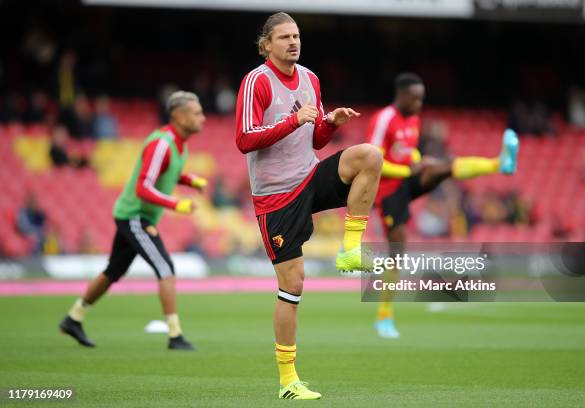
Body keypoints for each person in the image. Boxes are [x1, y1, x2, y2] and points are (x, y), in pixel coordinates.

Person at [235, 12, 382, 400]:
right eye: (284, 37)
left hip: (308, 176)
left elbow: (315, 140)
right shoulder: (256, 81)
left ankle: (351, 249)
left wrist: (330, 122)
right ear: (266, 45)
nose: (293, 42)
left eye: (296, 36)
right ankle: (288, 381)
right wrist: (293, 119)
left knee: (369, 156)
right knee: (293, 285)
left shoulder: (310, 78)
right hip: (276, 197)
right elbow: (245, 139)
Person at [367, 72, 519, 339]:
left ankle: (500, 163)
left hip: (407, 180)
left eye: (421, 99)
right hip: (388, 192)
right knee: (397, 253)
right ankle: (384, 317)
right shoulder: (383, 119)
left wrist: (417, 160)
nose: (419, 104)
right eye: (415, 99)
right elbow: (373, 161)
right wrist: (408, 169)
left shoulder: (413, 119)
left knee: (446, 165)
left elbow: (405, 151)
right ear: (401, 95)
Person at [59, 91, 208, 351]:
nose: (203, 118)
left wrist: (188, 180)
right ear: (178, 116)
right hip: (135, 216)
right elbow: (143, 187)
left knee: (113, 272)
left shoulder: (178, 144)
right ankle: (175, 336)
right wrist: (176, 203)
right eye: (196, 113)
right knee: (165, 268)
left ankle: (73, 318)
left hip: (135, 215)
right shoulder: (162, 143)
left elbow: (167, 170)